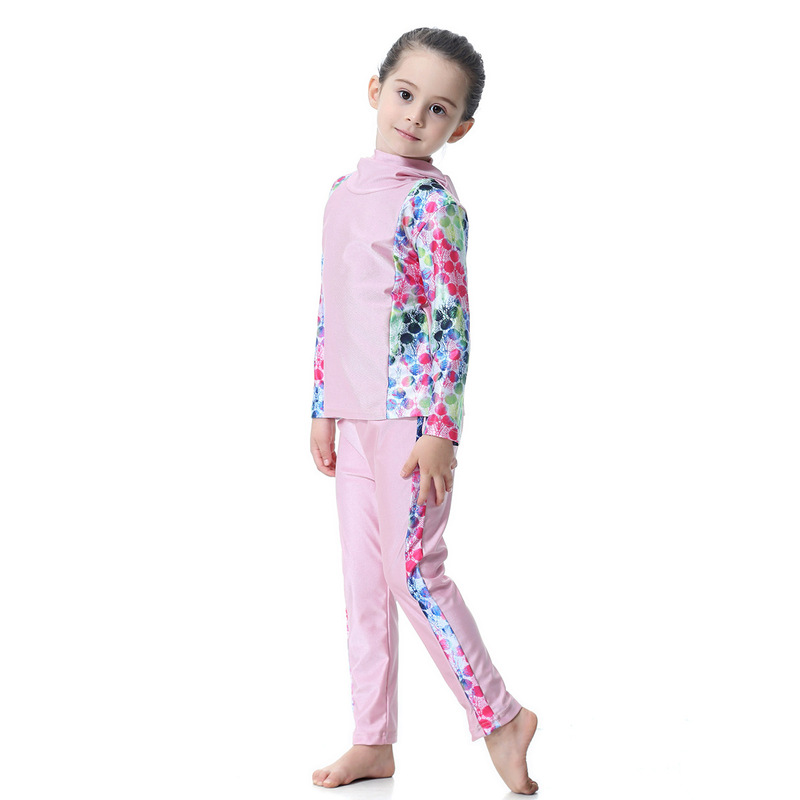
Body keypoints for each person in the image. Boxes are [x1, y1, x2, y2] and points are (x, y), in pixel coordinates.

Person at [308, 27, 538, 795]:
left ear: (458, 129)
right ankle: (372, 740)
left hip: (411, 421)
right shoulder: (341, 195)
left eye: (438, 109)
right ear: (376, 91)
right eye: (405, 95)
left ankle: (501, 717)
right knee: (364, 584)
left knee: (413, 571)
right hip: (352, 418)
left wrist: (441, 428)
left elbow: (452, 322)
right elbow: (332, 304)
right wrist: (321, 403)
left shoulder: (432, 206)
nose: (415, 115)